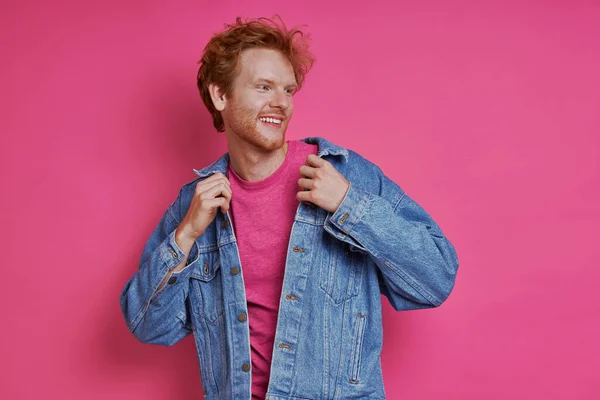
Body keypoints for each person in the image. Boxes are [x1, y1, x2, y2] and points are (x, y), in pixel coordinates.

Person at [120, 16, 459, 400]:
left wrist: (350, 206)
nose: (280, 102)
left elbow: (437, 278)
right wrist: (185, 236)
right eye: (263, 87)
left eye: (288, 90)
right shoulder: (196, 203)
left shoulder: (344, 176)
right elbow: (148, 325)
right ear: (220, 96)